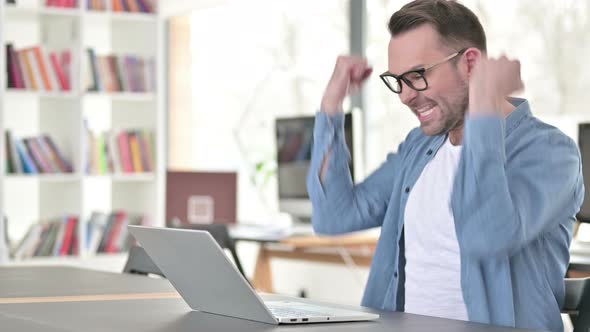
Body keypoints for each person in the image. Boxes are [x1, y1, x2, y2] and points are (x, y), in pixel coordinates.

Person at [306, 1, 585, 331]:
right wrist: (331, 106)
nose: (405, 96)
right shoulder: (419, 147)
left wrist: (484, 104)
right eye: (398, 80)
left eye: (417, 75)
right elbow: (333, 215)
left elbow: (486, 236)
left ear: (470, 64)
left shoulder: (551, 152)